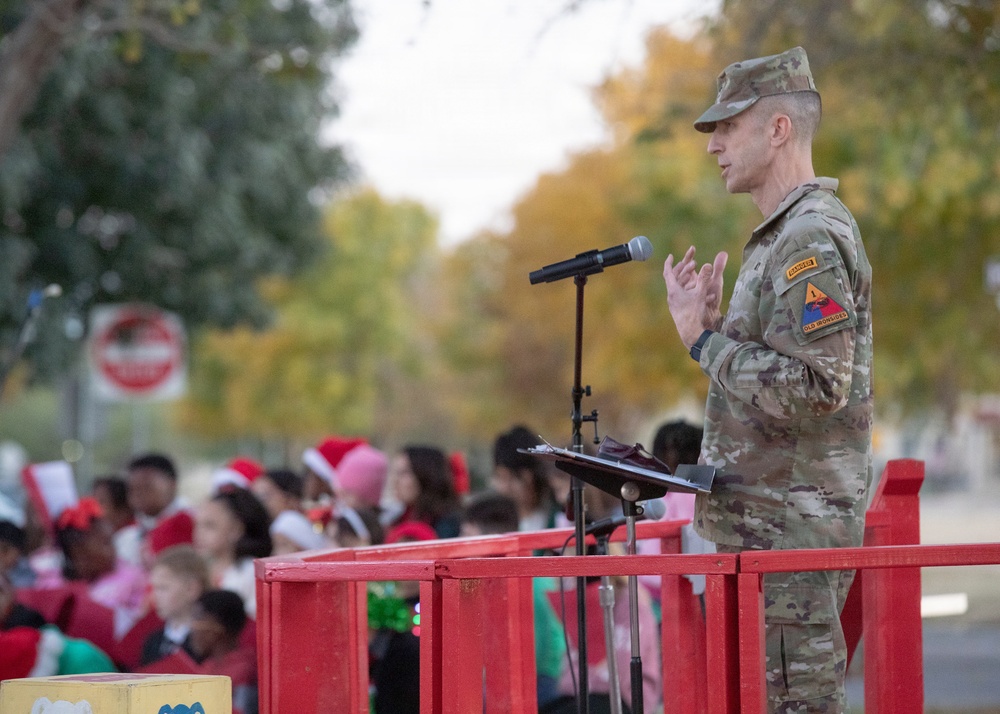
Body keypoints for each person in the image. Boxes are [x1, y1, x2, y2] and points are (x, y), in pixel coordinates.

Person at [663, 46, 873, 713]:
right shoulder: (782, 235)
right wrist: (720, 331)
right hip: (769, 536)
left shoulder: (807, 237)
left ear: (778, 129)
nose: (713, 145)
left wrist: (703, 341)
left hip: (789, 541)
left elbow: (817, 388)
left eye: (727, 126)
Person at [52, 498, 148, 640]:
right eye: (106, 544)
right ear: (78, 553)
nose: (114, 550)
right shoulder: (53, 584)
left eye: (112, 541)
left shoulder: (133, 578)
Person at [194, 489, 272, 619]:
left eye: (210, 526)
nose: (198, 533)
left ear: (236, 530)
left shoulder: (250, 573)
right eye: (197, 525)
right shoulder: (200, 569)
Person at [188, 589, 258, 714]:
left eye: (198, 619)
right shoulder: (208, 665)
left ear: (218, 628)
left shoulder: (244, 671)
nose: (192, 629)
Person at [141, 545, 210, 666]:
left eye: (163, 588)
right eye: (154, 588)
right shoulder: (152, 642)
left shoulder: (208, 642)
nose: (154, 596)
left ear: (191, 589)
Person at [124, 453, 195, 566]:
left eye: (147, 487)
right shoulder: (127, 535)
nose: (138, 494)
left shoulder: (195, 524)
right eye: (133, 488)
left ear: (172, 484)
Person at [491, 426, 559, 532]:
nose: (505, 488)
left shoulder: (558, 519)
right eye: (501, 478)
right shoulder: (493, 523)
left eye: (511, 478)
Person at [386, 445, 462, 539]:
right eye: (395, 473)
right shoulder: (400, 518)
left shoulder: (448, 524)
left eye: (404, 473)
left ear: (425, 476)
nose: (395, 480)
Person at [91, 475, 141, 567]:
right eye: (93, 502)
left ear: (124, 509)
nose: (94, 509)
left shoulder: (132, 537)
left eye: (101, 502)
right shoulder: (110, 537)